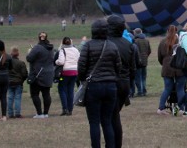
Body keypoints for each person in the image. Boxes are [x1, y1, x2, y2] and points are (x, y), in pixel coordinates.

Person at [79, 19, 121, 148]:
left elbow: (81, 67)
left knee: (94, 122)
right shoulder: (112, 46)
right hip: (110, 86)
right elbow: (118, 67)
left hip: (93, 86)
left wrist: (82, 80)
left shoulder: (88, 45)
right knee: (107, 121)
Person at [106, 15, 137, 147]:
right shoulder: (128, 44)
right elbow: (133, 68)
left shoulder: (106, 44)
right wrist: (129, 83)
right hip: (124, 84)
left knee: (110, 118)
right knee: (115, 116)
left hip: (110, 83)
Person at [26, 31, 55, 118]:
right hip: (49, 73)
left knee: (34, 94)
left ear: (39, 38)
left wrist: (30, 51)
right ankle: (46, 113)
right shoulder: (51, 48)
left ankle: (39, 113)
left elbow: (29, 58)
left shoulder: (37, 47)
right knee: (46, 94)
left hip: (37, 74)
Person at [55, 36, 80, 115]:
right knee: (71, 90)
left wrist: (56, 62)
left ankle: (65, 108)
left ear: (62, 42)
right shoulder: (76, 50)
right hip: (74, 73)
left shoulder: (62, 50)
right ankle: (70, 109)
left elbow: (61, 62)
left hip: (65, 74)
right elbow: (79, 59)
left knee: (62, 89)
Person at [0, 40, 11, 121]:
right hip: (6, 77)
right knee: (3, 96)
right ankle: (4, 116)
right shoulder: (8, 56)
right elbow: (11, 67)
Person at [7, 46, 26, 118]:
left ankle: (10, 114)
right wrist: (21, 80)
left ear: (11, 53)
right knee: (17, 98)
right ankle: (17, 113)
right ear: (18, 54)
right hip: (18, 82)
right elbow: (24, 74)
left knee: (10, 98)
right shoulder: (21, 63)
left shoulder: (7, 63)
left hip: (9, 82)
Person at [132, 28, 151, 97]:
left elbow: (134, 51)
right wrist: (145, 57)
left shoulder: (135, 41)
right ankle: (144, 91)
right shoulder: (146, 40)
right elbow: (149, 51)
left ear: (135, 33)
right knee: (143, 77)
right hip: (145, 61)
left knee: (138, 77)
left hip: (138, 62)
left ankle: (140, 91)